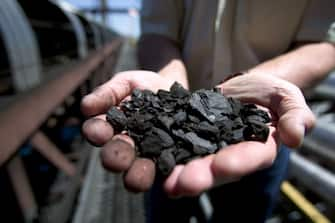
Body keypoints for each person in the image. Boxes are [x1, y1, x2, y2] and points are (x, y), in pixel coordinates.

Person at [81, 1, 335, 222]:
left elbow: (325, 43)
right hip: (174, 138)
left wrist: (256, 82)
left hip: (267, 127)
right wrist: (166, 85)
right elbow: (157, 33)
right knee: (167, 212)